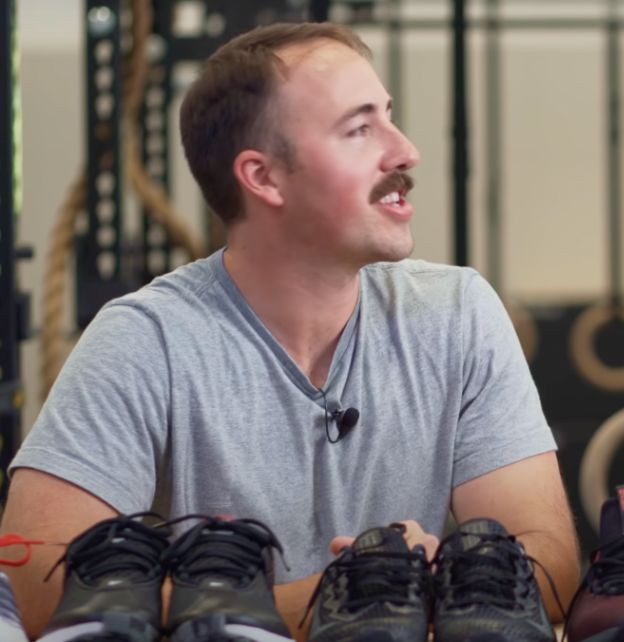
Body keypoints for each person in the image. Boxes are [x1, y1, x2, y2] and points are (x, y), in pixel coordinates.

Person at [1, 22, 579, 637]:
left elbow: (555, 568)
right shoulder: (147, 340)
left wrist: (446, 584)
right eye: (360, 130)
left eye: (389, 117)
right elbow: (32, 581)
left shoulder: (456, 314)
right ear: (264, 177)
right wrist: (346, 598)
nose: (405, 151)